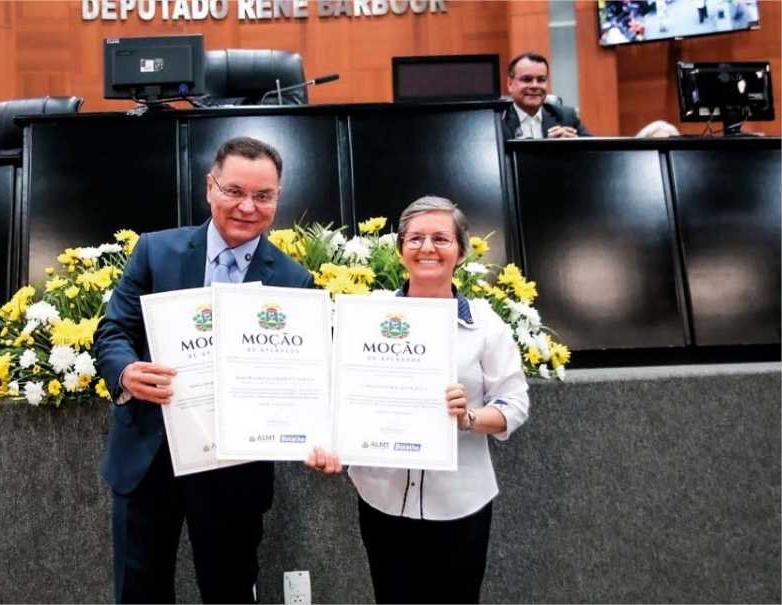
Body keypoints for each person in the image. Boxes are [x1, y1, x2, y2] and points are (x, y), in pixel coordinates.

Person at [94, 136, 313, 604]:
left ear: (277, 198)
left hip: (235, 467)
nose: (247, 207)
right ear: (210, 187)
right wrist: (126, 372)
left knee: (230, 590)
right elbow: (112, 332)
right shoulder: (156, 252)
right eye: (234, 191)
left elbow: (301, 374)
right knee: (140, 591)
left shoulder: (294, 281)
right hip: (149, 456)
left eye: (263, 195)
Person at [307, 196, 530, 604]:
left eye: (441, 238)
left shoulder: (484, 323)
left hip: (461, 503)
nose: (427, 248)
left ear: (460, 252)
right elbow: (336, 389)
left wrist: (470, 418)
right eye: (416, 238)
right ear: (400, 249)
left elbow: (514, 405)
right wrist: (327, 442)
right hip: (383, 497)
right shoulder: (366, 315)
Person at [502, 51, 591, 140]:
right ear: (510, 84)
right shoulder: (497, 121)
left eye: (541, 80)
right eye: (527, 79)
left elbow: (598, 152)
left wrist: (575, 146)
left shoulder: (566, 117)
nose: (535, 86)